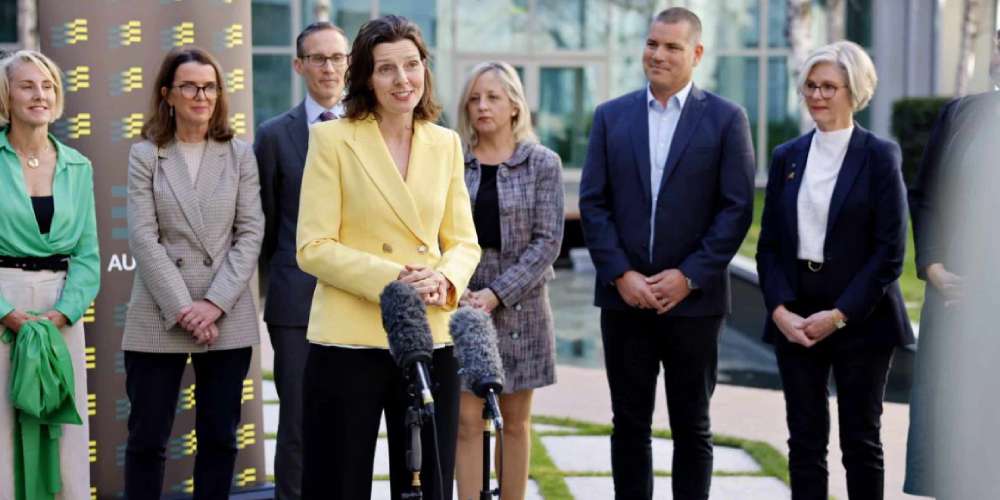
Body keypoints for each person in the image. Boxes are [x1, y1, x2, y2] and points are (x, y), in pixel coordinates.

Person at [295, 15, 480, 500]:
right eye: (386, 69)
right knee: (336, 486)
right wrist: (397, 277)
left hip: (429, 336)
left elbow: (464, 241)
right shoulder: (332, 139)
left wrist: (444, 280)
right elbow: (313, 246)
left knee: (428, 486)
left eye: (412, 65)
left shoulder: (445, 142)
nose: (403, 80)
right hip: (348, 339)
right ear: (366, 77)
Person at [578, 7, 755, 500]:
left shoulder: (726, 119)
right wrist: (621, 274)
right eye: (652, 43)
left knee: (692, 427)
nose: (658, 54)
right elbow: (593, 203)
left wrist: (688, 276)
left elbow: (736, 209)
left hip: (694, 304)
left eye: (672, 46)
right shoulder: (611, 116)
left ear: (696, 53)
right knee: (629, 424)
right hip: (624, 301)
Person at [755, 41, 912, 500]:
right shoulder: (787, 156)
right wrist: (780, 311)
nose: (817, 95)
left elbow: (890, 252)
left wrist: (839, 315)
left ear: (854, 91)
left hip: (861, 317)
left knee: (860, 441)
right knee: (804, 441)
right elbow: (768, 246)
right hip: (796, 315)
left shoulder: (879, 156)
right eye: (810, 85)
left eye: (829, 87)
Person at [122, 46, 265, 499]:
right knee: (147, 439)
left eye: (209, 87)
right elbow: (143, 238)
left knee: (220, 438)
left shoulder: (239, 155)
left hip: (225, 313)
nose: (201, 96)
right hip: (160, 310)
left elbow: (250, 233)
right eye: (189, 87)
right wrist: (185, 308)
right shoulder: (146, 155)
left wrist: (213, 304)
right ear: (167, 94)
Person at [453, 61, 564, 500]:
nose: (482, 106)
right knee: (466, 422)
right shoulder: (451, 160)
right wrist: (459, 289)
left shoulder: (542, 163)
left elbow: (548, 241)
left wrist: (496, 294)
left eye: (492, 97)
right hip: (462, 305)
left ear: (515, 106)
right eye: (475, 99)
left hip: (523, 309)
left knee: (513, 423)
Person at [253, 21, 349, 500]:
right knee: (296, 421)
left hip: (358, 299)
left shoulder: (370, 129)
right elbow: (266, 223)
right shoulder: (273, 136)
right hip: (295, 305)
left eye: (337, 57)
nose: (328, 67)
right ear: (299, 65)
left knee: (350, 421)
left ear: (349, 63)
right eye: (317, 58)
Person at [903, 29, 1000, 499]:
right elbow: (926, 197)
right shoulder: (962, 114)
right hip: (955, 300)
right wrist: (933, 264)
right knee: (951, 447)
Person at [0, 49, 100, 500]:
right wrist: (7, 313)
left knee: (65, 437)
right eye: (27, 86)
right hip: (4, 308)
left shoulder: (78, 166)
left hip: (62, 314)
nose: (40, 95)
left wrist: (63, 313)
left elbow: (88, 256)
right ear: (6, 96)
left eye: (47, 86)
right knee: (3, 429)